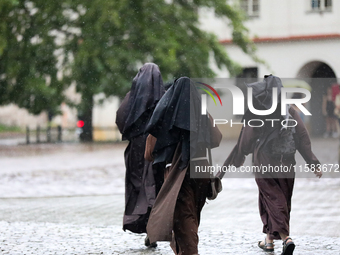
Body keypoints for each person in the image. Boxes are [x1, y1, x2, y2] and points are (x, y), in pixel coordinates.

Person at [223, 75, 322, 255]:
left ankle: (286, 238)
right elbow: (302, 137)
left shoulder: (258, 111)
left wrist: (241, 154)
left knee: (274, 200)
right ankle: (269, 241)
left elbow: (246, 140)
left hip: (265, 163)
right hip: (287, 163)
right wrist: (312, 162)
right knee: (276, 199)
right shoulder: (289, 110)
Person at [144, 77, 222, 255]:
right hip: (202, 171)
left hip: (177, 174)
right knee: (191, 217)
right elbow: (216, 139)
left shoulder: (164, 116)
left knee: (183, 218)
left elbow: (148, 154)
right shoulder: (201, 113)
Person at [115, 63, 165, 246]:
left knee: (140, 187)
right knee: (155, 187)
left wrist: (134, 132)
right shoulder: (164, 98)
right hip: (156, 148)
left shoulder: (131, 98)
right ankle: (153, 229)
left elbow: (120, 118)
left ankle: (145, 225)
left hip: (136, 149)